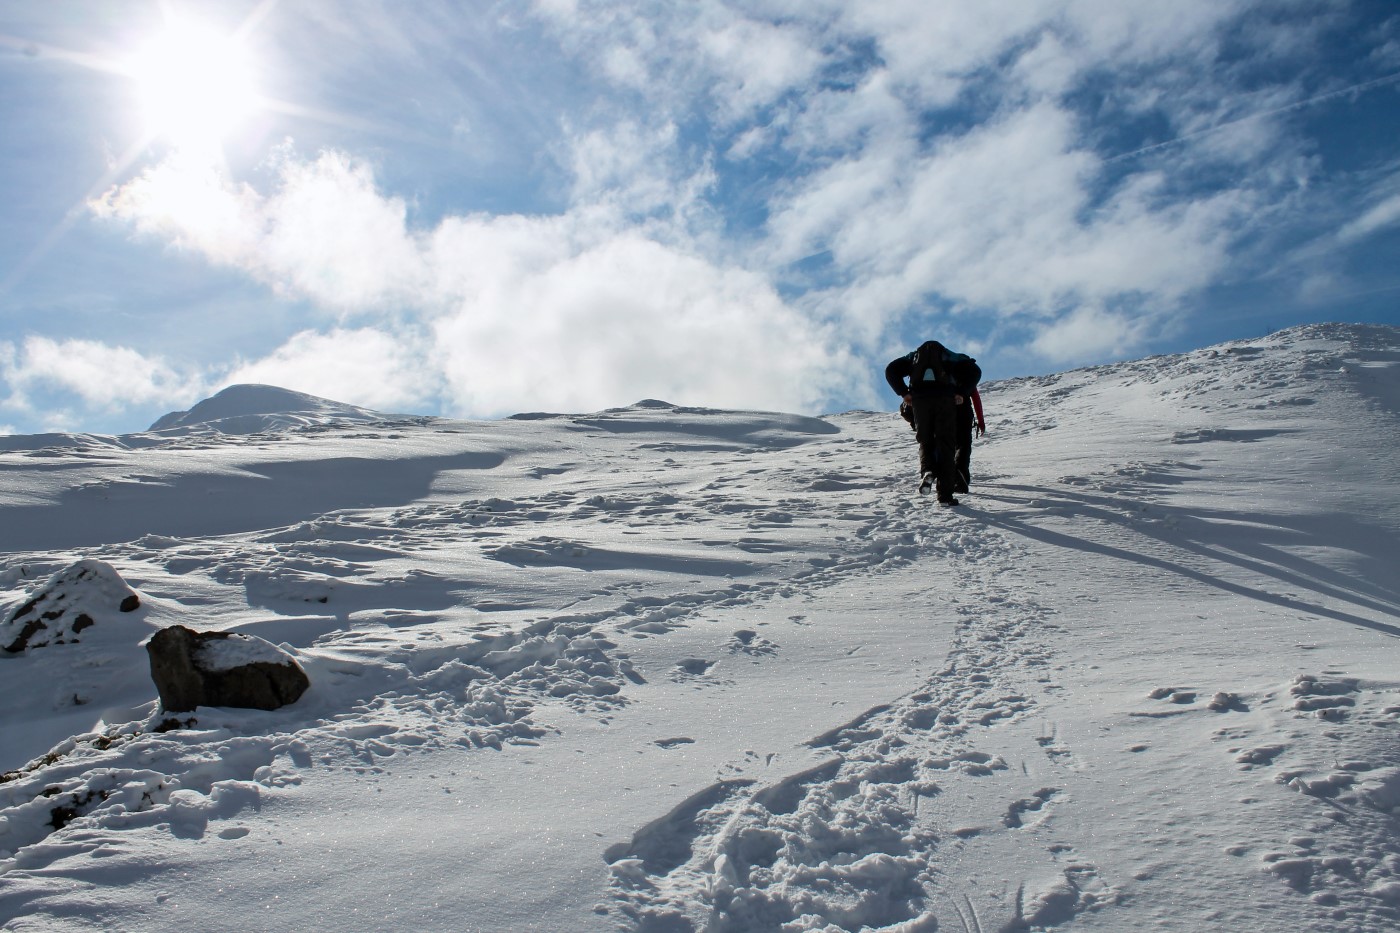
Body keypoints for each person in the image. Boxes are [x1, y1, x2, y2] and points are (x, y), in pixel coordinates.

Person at [886, 340, 982, 505]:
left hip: (919, 401)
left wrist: (903, 393)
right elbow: (975, 372)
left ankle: (927, 470)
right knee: (946, 444)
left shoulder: (913, 357)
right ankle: (945, 496)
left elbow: (890, 370)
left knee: (925, 440)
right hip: (945, 400)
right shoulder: (951, 357)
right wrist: (961, 393)